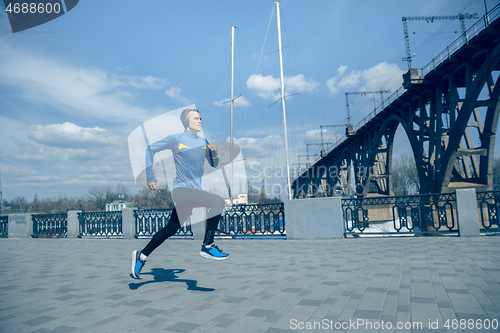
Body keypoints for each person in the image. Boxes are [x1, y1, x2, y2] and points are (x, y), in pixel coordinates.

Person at [132, 109, 228, 279]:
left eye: (200, 117)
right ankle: (208, 244)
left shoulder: (203, 141)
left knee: (171, 228)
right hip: (181, 190)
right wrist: (150, 177)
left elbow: (214, 164)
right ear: (186, 120)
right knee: (218, 202)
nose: (199, 121)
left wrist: (214, 152)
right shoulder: (176, 138)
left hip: (193, 192)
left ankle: (141, 256)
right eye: (196, 118)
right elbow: (150, 149)